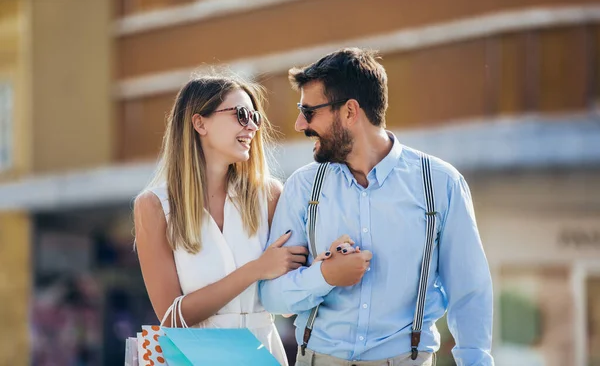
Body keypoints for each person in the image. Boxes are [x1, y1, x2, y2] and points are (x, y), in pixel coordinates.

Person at [258, 48, 494, 366]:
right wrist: (324, 276)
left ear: (350, 112)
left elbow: (470, 292)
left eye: (309, 111)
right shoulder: (302, 187)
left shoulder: (440, 184)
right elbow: (272, 296)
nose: (300, 124)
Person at [134, 74, 310, 365]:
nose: (252, 125)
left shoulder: (268, 195)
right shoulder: (154, 206)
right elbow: (171, 317)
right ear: (199, 123)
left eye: (255, 116)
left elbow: (289, 300)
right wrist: (255, 270)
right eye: (241, 114)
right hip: (196, 357)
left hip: (264, 354)